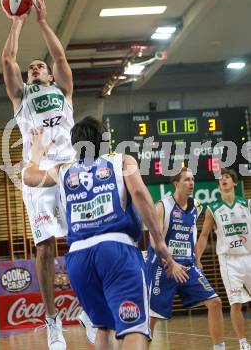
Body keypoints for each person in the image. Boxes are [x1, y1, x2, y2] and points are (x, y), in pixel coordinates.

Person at [22, 116, 188, 350]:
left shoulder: (62, 170)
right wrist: (159, 242)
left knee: (103, 326)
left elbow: (28, 177)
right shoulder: (122, 161)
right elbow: (140, 195)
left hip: (79, 259)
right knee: (135, 328)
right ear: (105, 140)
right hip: (116, 251)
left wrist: (36, 152)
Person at [1, 0, 94, 349]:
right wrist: (18, 23)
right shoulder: (21, 97)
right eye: (32, 67)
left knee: (82, 242)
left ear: (51, 76)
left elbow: (58, 55)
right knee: (44, 250)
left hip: (69, 170)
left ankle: (86, 309)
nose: (36, 66)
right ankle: (52, 319)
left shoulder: (63, 91)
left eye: (40, 66)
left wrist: (42, 22)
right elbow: (7, 58)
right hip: (38, 173)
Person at [147, 167, 226, 350]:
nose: (191, 183)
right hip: (162, 266)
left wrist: (197, 259)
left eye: (193, 179)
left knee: (215, 302)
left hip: (187, 265)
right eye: (187, 180)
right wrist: (171, 262)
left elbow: (193, 234)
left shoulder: (197, 206)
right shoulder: (162, 206)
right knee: (152, 317)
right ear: (176, 183)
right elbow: (153, 241)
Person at [196, 168, 251, 350]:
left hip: (249, 256)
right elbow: (203, 235)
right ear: (219, 185)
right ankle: (243, 343)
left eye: (227, 177)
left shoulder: (247, 203)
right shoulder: (213, 209)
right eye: (221, 178)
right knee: (235, 303)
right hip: (229, 261)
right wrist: (197, 258)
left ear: (234, 183)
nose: (224, 180)